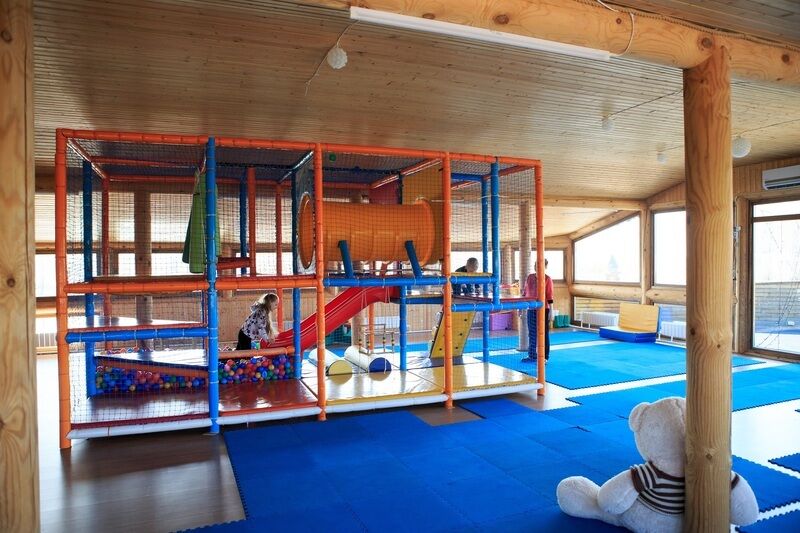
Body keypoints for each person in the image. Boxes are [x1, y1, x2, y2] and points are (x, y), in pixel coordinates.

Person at [521, 259, 554, 363]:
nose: (537, 267)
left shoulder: (547, 279)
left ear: (545, 267)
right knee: (532, 333)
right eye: (536, 265)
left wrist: (551, 311)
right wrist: (521, 308)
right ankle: (532, 355)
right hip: (531, 309)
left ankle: (545, 357)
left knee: (543, 333)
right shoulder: (530, 277)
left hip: (543, 309)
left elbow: (550, 296)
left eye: (540, 265)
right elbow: (525, 292)